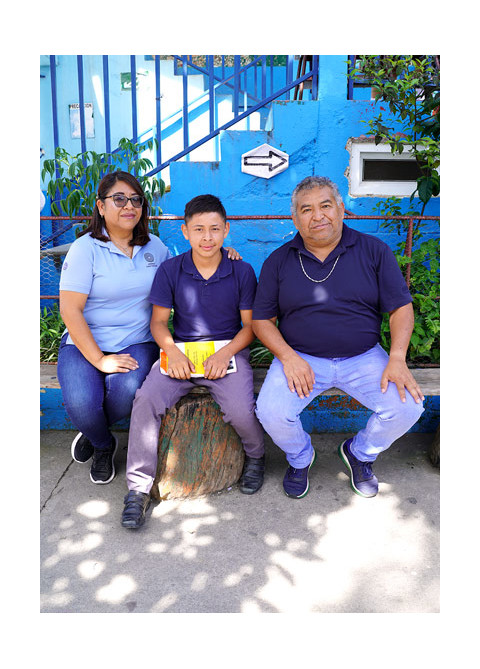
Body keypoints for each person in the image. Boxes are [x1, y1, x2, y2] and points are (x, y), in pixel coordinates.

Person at [58, 171, 240, 485]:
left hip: (137, 340)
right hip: (84, 341)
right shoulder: (85, 248)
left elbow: (187, 268)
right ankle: (103, 443)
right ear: (101, 206)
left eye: (135, 199)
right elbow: (69, 310)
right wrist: (100, 360)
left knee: (128, 390)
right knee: (80, 402)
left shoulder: (154, 247)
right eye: (118, 199)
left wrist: (225, 256)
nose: (128, 206)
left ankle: (93, 431)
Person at [252, 176, 425, 500]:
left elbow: (401, 307)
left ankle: (360, 453)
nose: (317, 216)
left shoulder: (374, 251)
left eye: (325, 206)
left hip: (363, 357)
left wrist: (397, 358)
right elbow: (262, 320)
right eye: (306, 209)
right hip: (301, 359)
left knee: (408, 408)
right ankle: (301, 457)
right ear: (295, 219)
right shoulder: (279, 260)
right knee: (271, 411)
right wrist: (288, 358)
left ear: (341, 209)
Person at [121, 194, 265, 528]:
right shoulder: (171, 270)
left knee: (241, 410)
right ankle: (137, 490)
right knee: (145, 399)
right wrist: (171, 350)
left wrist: (226, 352)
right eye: (198, 229)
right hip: (182, 353)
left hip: (226, 355)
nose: (207, 237)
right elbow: (158, 322)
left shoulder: (241, 271)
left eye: (215, 229)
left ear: (226, 230)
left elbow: (250, 328)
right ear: (185, 232)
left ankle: (256, 457)